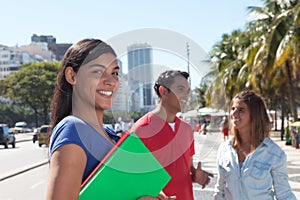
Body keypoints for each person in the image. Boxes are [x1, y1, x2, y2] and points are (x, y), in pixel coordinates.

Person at [46, 39, 171, 200]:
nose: (111, 81)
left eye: (115, 73)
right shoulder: (73, 129)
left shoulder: (110, 134)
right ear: (72, 76)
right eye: (98, 72)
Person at [131, 70, 213, 200]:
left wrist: (195, 175)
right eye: (180, 90)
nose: (186, 96)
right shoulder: (141, 130)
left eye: (187, 92)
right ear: (163, 91)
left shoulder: (186, 129)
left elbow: (187, 168)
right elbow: (131, 179)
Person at [214, 90, 296, 200]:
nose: (234, 113)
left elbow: (284, 194)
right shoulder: (224, 150)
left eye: (241, 110)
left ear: (254, 115)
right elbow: (220, 190)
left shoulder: (274, 153)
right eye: (233, 109)